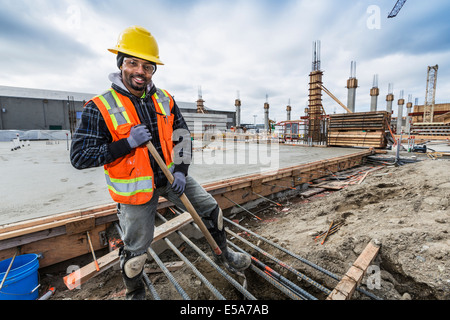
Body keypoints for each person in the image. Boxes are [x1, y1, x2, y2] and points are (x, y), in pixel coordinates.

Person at [70, 26, 251, 300]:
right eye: (133, 63)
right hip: (135, 189)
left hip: (170, 177)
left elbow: (183, 138)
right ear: (121, 64)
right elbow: (80, 157)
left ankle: (225, 255)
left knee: (212, 212)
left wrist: (180, 171)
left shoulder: (165, 99)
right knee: (135, 251)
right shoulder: (100, 106)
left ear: (153, 70)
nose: (140, 71)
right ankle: (136, 291)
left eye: (147, 66)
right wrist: (126, 143)